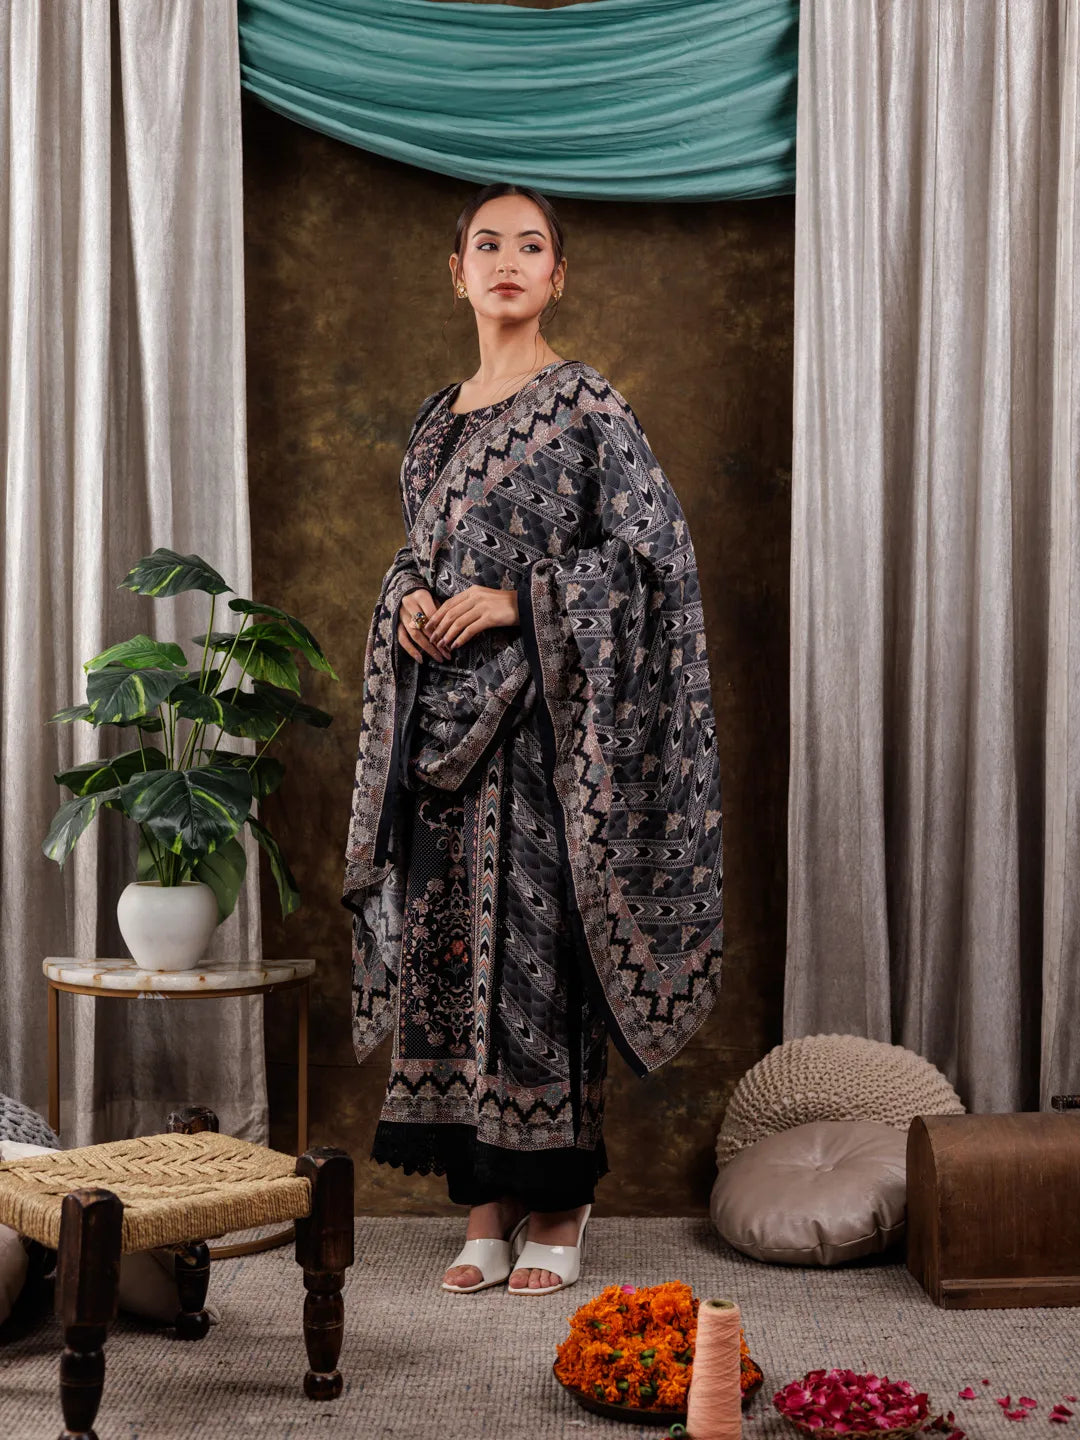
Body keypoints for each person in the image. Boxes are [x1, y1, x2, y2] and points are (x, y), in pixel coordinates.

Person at [342, 182, 724, 1295]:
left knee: (539, 960)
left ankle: (559, 1202)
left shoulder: (587, 405)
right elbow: (415, 554)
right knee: (448, 958)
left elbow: (652, 563)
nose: (507, 261)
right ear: (456, 272)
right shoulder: (436, 422)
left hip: (546, 735)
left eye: (530, 246)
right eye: (486, 244)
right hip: (439, 739)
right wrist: (407, 599)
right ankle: (485, 1201)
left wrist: (523, 601)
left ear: (557, 276)